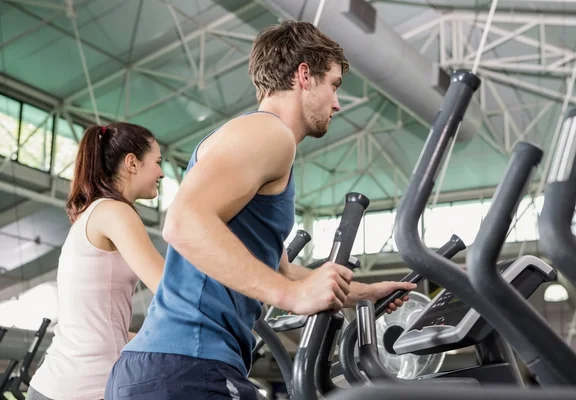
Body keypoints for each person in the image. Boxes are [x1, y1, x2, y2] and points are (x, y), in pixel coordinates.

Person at [105, 21, 417, 400]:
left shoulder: (253, 143)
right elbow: (183, 223)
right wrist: (292, 296)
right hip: (187, 363)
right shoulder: (271, 135)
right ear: (304, 75)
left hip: (169, 365)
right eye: (334, 85)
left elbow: (279, 268)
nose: (337, 102)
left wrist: (365, 294)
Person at [27, 123, 166, 400]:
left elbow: (102, 327)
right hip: (80, 390)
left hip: (60, 387)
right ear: (132, 163)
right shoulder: (115, 212)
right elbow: (169, 288)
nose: (162, 172)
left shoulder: (94, 214)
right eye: (158, 162)